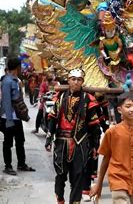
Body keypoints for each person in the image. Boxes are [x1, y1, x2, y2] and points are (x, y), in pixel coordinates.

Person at [45, 68, 101, 204]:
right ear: (68, 80)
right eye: (73, 79)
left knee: (78, 176)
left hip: (79, 142)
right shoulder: (60, 97)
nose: (76, 82)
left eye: (79, 79)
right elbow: (52, 118)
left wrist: (95, 145)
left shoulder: (89, 99)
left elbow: (94, 125)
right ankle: (60, 198)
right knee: (60, 175)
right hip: (61, 141)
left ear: (82, 82)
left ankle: (74, 201)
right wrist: (48, 138)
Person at [0, 57, 36, 175]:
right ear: (17, 67)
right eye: (20, 67)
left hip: (16, 118)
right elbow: (6, 101)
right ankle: (8, 166)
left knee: (20, 141)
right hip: (8, 117)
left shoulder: (14, 80)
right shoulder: (7, 81)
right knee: (8, 142)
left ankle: (21, 164)